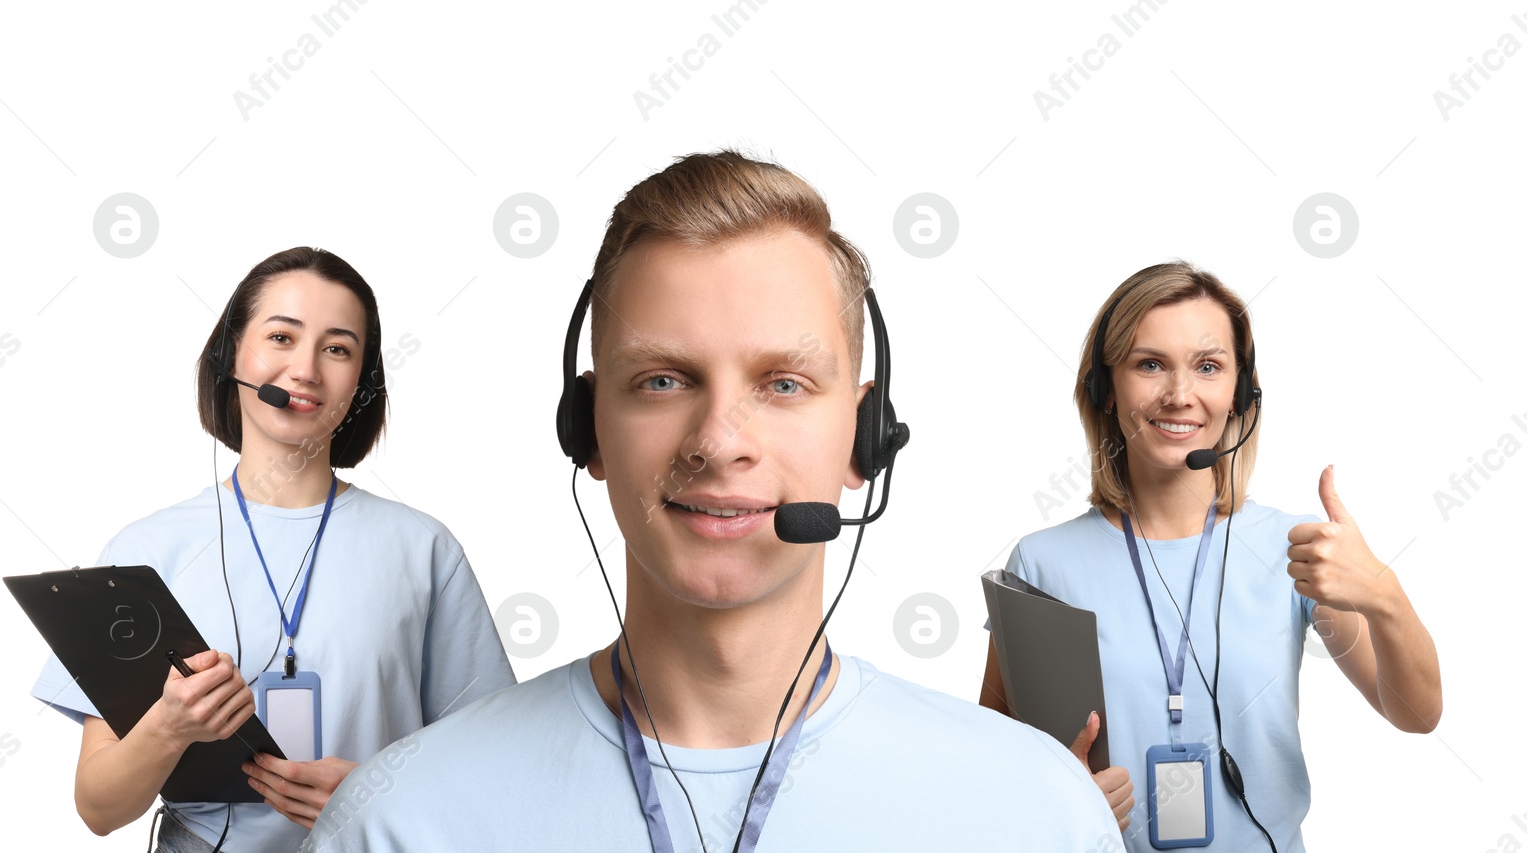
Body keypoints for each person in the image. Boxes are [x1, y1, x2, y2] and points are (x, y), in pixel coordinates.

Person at [302, 151, 1125, 851]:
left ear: (864, 436)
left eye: (783, 383)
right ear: (587, 427)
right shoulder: (398, 823)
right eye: (662, 379)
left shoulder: (1036, 813)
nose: (719, 438)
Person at [29, 247, 516, 852]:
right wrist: (169, 726)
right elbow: (99, 809)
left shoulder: (423, 549)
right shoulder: (145, 550)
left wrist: (381, 796)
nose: (306, 369)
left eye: (337, 348)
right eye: (281, 337)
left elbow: (497, 775)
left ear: (362, 379)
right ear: (230, 356)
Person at [979, 261, 1442, 852]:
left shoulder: (1298, 549)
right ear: (1104, 387)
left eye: (1208, 366)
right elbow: (994, 763)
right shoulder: (1043, 563)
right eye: (1150, 364)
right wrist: (1060, 793)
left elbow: (1418, 713)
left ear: (1240, 392)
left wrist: (1383, 593)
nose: (1180, 395)